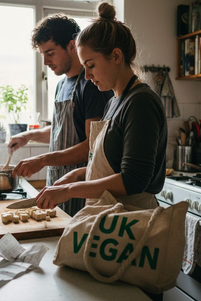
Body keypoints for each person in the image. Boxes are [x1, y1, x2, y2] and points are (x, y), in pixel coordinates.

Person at [35, 2, 168, 212]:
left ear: (116, 56)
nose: (87, 76)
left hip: (134, 217)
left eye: (91, 65)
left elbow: (133, 180)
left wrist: (69, 190)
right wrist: (77, 174)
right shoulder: (114, 102)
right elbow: (110, 167)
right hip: (111, 213)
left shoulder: (141, 102)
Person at [9, 14, 113, 216]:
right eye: (42, 54)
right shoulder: (61, 85)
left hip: (80, 187)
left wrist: (42, 160)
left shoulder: (91, 85)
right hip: (57, 184)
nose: (46, 61)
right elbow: (60, 132)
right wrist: (29, 136)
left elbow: (92, 146)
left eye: (50, 53)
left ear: (72, 46)